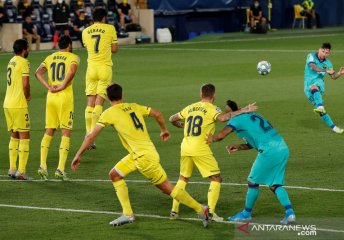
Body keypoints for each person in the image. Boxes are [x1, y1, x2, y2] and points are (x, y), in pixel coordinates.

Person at [71, 83, 210, 227]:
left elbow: (90, 137)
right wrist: (163, 130)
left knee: (167, 188)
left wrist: (78, 155)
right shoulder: (134, 106)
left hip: (144, 158)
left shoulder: (108, 113)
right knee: (114, 175)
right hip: (138, 154)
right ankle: (128, 214)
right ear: (122, 96)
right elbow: (157, 113)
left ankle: (201, 209)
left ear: (106, 97)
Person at [169, 83, 257, 222]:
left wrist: (180, 125)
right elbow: (222, 118)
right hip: (200, 147)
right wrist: (244, 110)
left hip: (185, 147)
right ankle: (210, 213)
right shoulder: (212, 108)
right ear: (214, 95)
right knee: (216, 179)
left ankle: (174, 210)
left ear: (200, 94)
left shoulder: (190, 107)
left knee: (183, 178)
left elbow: (172, 118)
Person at [207, 100, 296, 225]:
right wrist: (238, 146)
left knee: (252, 181)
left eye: (228, 115)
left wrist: (211, 138)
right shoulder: (253, 115)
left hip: (269, 151)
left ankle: (246, 214)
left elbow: (221, 136)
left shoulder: (236, 120)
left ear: (233, 112)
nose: (228, 118)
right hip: (282, 148)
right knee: (274, 184)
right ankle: (290, 213)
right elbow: (254, 142)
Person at [34, 35, 79, 180]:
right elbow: (72, 71)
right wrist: (63, 86)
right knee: (65, 132)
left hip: (51, 96)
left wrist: (48, 86)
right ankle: (60, 169)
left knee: (49, 131)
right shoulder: (73, 57)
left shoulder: (50, 57)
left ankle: (42, 166)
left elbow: (37, 73)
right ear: (69, 45)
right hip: (64, 97)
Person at [82, 7, 118, 149]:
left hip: (91, 69)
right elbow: (114, 49)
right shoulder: (110, 28)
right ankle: (92, 137)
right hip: (104, 68)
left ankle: (87, 132)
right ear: (104, 17)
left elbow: (89, 49)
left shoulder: (85, 31)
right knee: (98, 104)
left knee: (89, 103)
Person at [304, 43, 344, 133]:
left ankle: (320, 106)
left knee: (314, 87)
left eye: (326, 53)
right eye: (323, 51)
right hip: (307, 86)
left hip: (318, 84)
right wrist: (326, 70)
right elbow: (313, 67)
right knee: (321, 112)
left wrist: (339, 73)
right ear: (319, 49)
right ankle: (334, 127)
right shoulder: (311, 56)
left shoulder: (328, 63)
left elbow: (333, 77)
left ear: (328, 54)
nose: (324, 53)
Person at [3, 39, 31, 180]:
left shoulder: (11, 61)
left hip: (7, 104)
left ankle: (12, 169)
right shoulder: (24, 62)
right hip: (18, 104)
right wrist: (27, 95)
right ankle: (21, 171)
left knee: (14, 135)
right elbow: (25, 84)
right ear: (24, 49)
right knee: (24, 136)